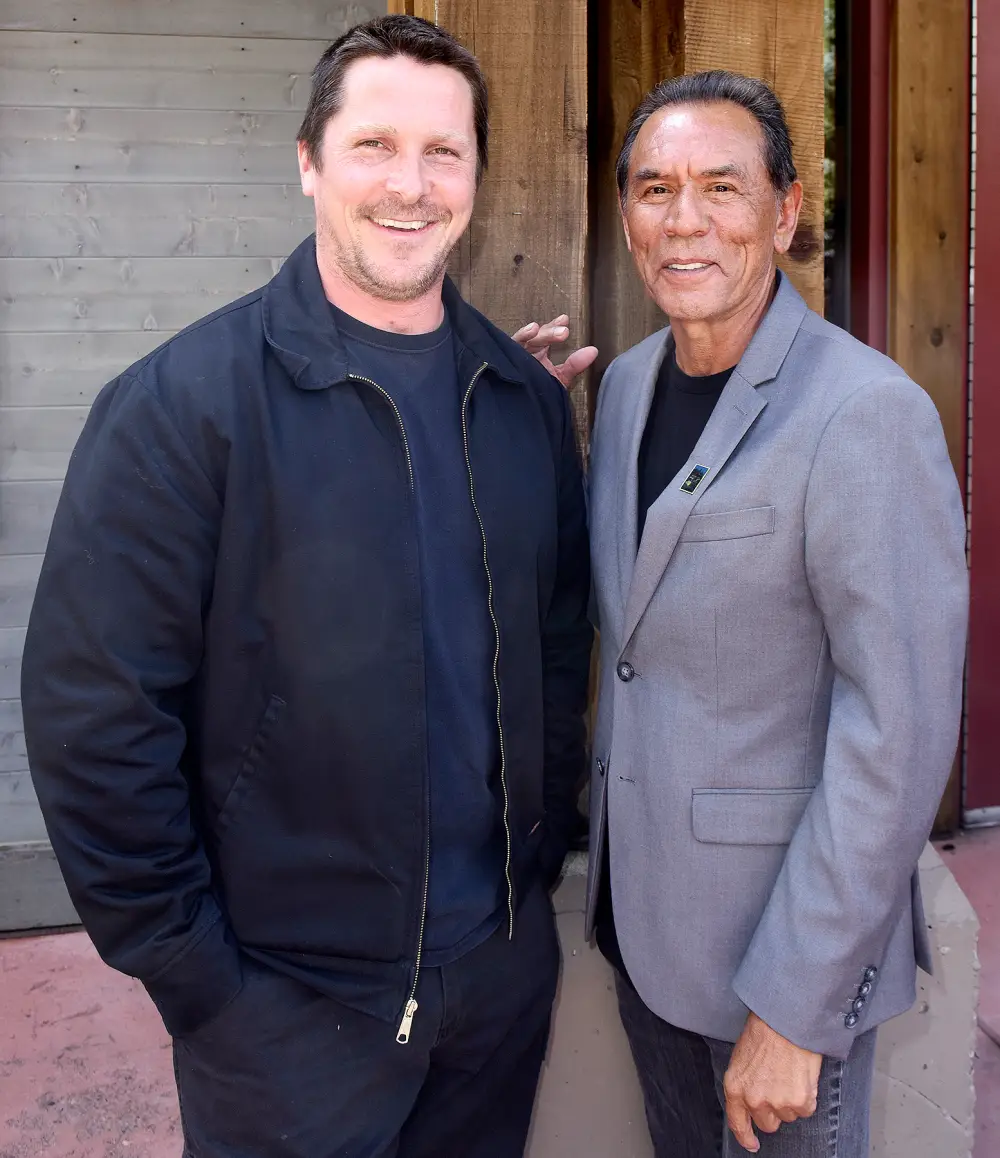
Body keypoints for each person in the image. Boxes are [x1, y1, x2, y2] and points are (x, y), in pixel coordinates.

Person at [20, 15, 595, 1158]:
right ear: (306, 163)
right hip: (283, 1017)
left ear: (478, 174)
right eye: (374, 145)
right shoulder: (182, 408)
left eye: (445, 152)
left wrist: (537, 883)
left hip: (495, 990)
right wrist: (197, 979)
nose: (412, 186)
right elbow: (94, 719)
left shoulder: (519, 401)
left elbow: (555, 650)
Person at [542, 70, 967, 1157]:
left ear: (782, 212)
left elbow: (899, 732)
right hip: (648, 935)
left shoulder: (865, 415)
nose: (684, 220)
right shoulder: (628, 387)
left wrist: (796, 1003)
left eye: (721, 188)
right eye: (653, 188)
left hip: (775, 969)